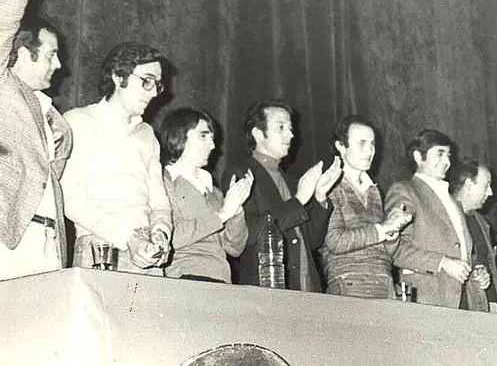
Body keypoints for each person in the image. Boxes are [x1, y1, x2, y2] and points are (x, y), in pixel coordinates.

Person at [0, 0, 73, 280]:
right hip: (9, 242)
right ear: (16, 52)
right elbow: (6, 9)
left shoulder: (54, 119)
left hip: (49, 247)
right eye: (49, 55)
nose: (59, 66)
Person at [61, 42, 172, 275]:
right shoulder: (78, 122)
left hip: (147, 254)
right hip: (100, 248)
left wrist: (161, 234)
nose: (153, 92)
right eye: (147, 81)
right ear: (117, 75)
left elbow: (160, 202)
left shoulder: (148, 135)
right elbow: (72, 200)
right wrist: (128, 238)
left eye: (157, 85)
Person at [223, 100, 341, 291]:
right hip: (267, 287)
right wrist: (299, 200)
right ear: (258, 134)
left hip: (307, 287)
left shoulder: (292, 181)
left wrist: (320, 197)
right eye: (281, 127)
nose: (291, 135)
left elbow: (312, 241)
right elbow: (249, 234)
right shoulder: (241, 174)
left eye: (290, 128)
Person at [385, 129, 485, 310]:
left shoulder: (452, 200)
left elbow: (461, 250)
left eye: (448, 155)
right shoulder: (405, 191)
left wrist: (476, 270)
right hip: (429, 298)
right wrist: (442, 263)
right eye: (439, 154)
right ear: (418, 156)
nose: (446, 161)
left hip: (463, 297)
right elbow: (395, 247)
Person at [319, 115, 411, 298]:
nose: (369, 150)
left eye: (372, 144)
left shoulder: (374, 191)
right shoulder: (329, 187)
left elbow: (386, 250)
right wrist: (381, 229)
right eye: (362, 143)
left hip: (383, 282)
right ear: (341, 146)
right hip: (349, 282)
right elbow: (335, 241)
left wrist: (392, 235)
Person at [159, 108, 254, 283]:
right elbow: (172, 237)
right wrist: (223, 213)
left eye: (212, 138)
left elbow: (234, 248)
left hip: (222, 281)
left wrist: (236, 209)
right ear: (179, 137)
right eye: (203, 136)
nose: (212, 145)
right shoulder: (164, 181)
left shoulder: (213, 190)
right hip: (185, 279)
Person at [451, 160, 497, 313]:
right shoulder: (447, 219)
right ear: (469, 185)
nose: (490, 192)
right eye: (486, 185)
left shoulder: (481, 222)